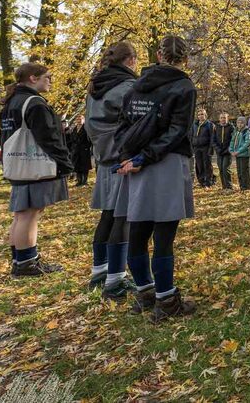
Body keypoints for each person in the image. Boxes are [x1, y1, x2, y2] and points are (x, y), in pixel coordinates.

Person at [115, 35, 197, 321]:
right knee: (163, 234)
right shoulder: (184, 86)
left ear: (159, 55)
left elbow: (124, 124)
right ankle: (165, 300)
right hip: (165, 162)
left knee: (137, 230)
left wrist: (130, 156)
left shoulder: (137, 85)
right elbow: (177, 131)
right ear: (184, 58)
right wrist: (144, 157)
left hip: (137, 163)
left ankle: (144, 291)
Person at [1, 62, 73, 277]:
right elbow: (48, 137)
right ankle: (27, 263)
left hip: (18, 163)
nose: (50, 80)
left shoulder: (12, 101)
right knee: (30, 213)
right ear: (33, 78)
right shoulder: (35, 103)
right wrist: (64, 162)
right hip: (34, 164)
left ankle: (19, 259)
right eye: (47, 77)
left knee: (21, 213)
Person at [84, 42, 138, 298]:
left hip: (103, 155)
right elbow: (135, 124)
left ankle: (99, 272)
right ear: (131, 60)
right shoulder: (127, 87)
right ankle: (115, 279)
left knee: (108, 214)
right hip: (122, 157)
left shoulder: (95, 87)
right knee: (123, 216)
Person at [191, 108, 214, 188]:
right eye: (199, 114)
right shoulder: (195, 124)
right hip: (196, 147)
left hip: (206, 147)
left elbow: (212, 137)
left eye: (202, 114)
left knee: (207, 165)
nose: (200, 116)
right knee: (199, 165)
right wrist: (191, 146)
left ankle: (208, 182)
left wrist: (211, 148)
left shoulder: (209, 124)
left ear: (205, 115)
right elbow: (191, 136)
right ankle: (201, 181)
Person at [212, 113, 234, 191]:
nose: (223, 119)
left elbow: (233, 140)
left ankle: (229, 187)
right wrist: (218, 149)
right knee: (220, 168)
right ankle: (224, 186)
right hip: (219, 152)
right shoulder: (216, 127)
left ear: (227, 118)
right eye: (221, 118)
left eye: (224, 118)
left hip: (227, 152)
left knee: (225, 168)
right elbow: (213, 140)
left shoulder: (231, 127)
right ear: (219, 119)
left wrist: (227, 149)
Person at [69, 114, 93, 187]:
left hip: (84, 150)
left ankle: (84, 181)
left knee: (85, 166)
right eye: (77, 119)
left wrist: (87, 147)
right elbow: (72, 139)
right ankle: (79, 181)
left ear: (83, 120)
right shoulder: (74, 129)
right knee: (77, 166)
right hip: (76, 150)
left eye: (80, 119)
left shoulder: (86, 128)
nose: (79, 121)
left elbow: (90, 139)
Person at [229, 116, 250, 192]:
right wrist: (231, 150)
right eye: (238, 122)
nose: (240, 124)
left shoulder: (246, 131)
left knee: (244, 171)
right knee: (239, 172)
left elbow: (247, 143)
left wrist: (238, 151)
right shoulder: (236, 131)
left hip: (244, 155)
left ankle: (246, 187)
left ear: (244, 123)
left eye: (241, 123)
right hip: (237, 155)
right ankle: (241, 187)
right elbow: (232, 141)